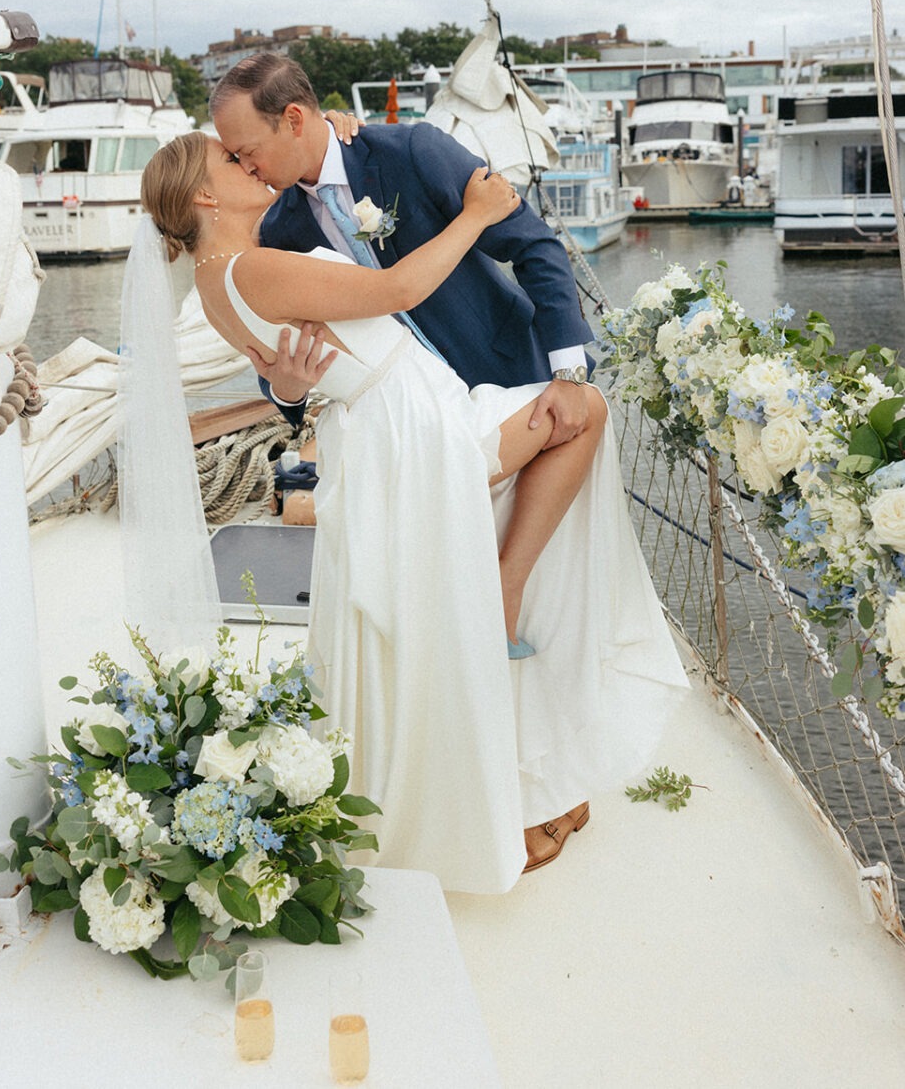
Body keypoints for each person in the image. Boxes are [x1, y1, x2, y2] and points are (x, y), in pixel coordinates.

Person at [139, 132, 689, 894]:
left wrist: (294, 391)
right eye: (229, 163)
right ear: (203, 196)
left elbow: (294, 368)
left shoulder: (216, 279)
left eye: (246, 150)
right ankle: (510, 598)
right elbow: (395, 293)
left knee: (447, 616)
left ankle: (522, 753)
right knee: (585, 411)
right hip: (418, 439)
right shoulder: (252, 265)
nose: (248, 164)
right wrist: (477, 213)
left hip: (397, 427)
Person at [209, 54, 595, 449]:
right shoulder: (279, 233)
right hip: (411, 434)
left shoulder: (414, 152)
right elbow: (282, 354)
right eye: (234, 156)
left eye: (248, 151)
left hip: (524, 387)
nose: (245, 167)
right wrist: (287, 391)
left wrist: (568, 375)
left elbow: (535, 246)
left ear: (293, 120)